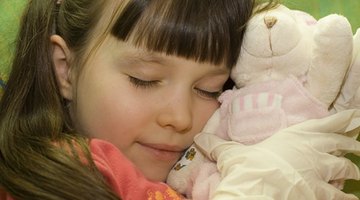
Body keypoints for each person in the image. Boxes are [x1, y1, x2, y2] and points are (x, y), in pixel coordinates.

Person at [0, 0, 359, 200]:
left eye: (210, 88)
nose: (180, 117)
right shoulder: (46, 179)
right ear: (65, 70)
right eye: (145, 79)